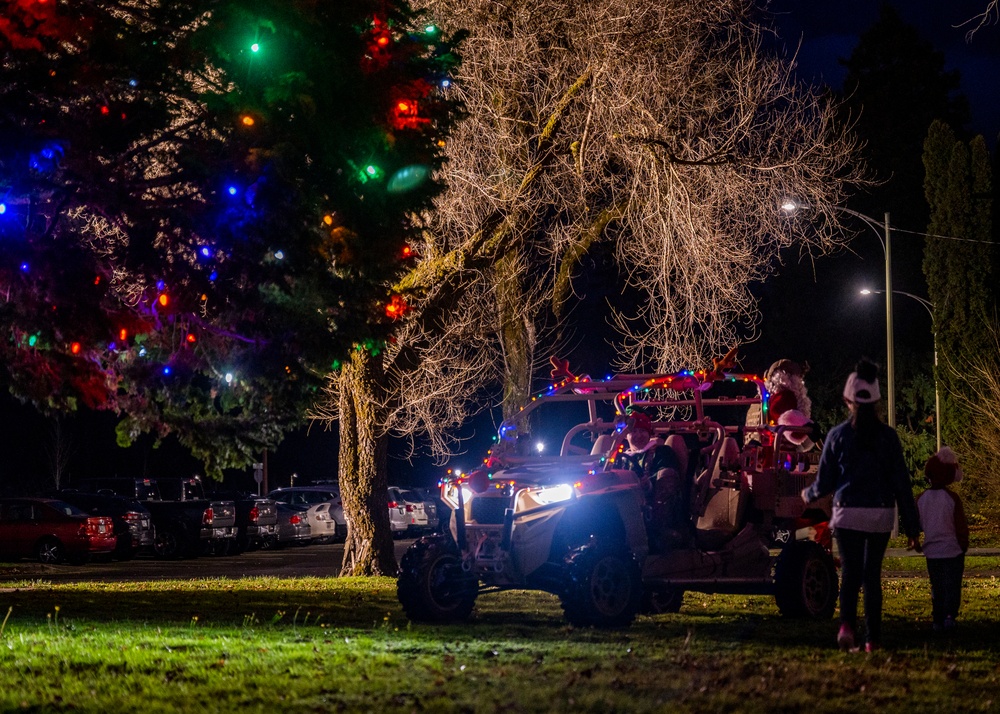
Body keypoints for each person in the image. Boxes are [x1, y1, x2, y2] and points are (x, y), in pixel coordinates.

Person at [801, 358, 921, 653]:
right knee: (872, 577)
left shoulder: (837, 436)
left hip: (847, 513)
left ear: (846, 399)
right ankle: (873, 639)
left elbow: (826, 481)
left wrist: (809, 494)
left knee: (851, 575)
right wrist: (913, 526)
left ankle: (846, 628)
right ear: (878, 399)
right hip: (880, 514)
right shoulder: (888, 438)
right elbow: (901, 483)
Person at [917, 446, 968, 633]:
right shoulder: (952, 499)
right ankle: (949, 616)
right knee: (952, 585)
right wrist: (963, 544)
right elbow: (960, 525)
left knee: (937, 586)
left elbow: (918, 523)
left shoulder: (921, 499)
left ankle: (937, 618)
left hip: (932, 551)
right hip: (953, 550)